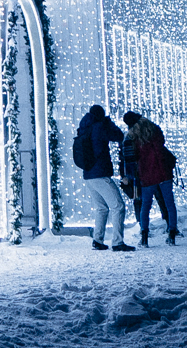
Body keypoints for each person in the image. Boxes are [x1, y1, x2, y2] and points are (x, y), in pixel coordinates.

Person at [73, 104, 127, 251]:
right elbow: (119, 136)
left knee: (101, 208)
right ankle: (117, 242)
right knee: (118, 206)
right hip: (100, 173)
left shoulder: (85, 128)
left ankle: (97, 240)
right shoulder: (100, 127)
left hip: (88, 174)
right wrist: (109, 123)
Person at [124, 112, 178, 245]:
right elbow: (162, 145)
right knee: (170, 204)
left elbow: (131, 158)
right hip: (164, 172)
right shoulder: (155, 130)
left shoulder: (132, 137)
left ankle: (144, 237)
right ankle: (172, 234)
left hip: (147, 175)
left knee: (145, 206)